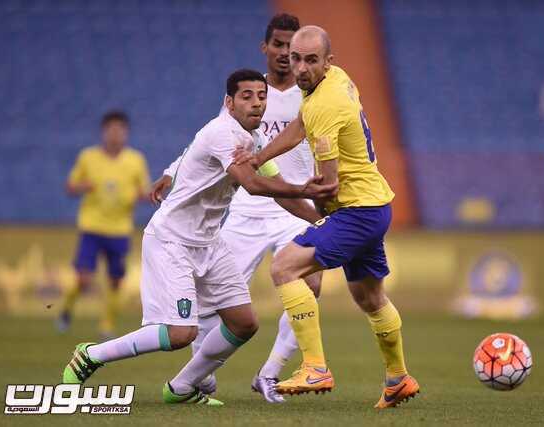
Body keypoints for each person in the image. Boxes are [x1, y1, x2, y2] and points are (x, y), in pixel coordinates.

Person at [62, 69, 337, 408]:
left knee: (243, 323)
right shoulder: (223, 133)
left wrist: (323, 220)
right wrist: (303, 187)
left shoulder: (256, 140)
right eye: (247, 96)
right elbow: (252, 184)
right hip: (171, 240)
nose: (256, 103)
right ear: (229, 102)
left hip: (208, 242)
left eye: (261, 96)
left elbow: (281, 196)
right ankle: (91, 354)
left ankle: (182, 387)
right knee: (180, 334)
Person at [234, 26, 420, 409]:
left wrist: (277, 188)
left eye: (310, 60)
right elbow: (300, 125)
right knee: (369, 297)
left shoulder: (326, 104)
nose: (300, 67)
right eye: (296, 58)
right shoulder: (333, 81)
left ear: (327, 61)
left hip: (355, 210)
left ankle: (315, 366)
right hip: (374, 205)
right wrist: (260, 156)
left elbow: (328, 186)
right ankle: (398, 377)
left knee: (285, 267)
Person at [150, 13, 321, 403]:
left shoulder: (312, 94)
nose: (285, 54)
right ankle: (200, 376)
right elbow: (209, 140)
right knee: (212, 304)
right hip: (246, 204)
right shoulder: (248, 92)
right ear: (266, 48)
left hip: (293, 205)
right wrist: (171, 172)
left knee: (310, 283)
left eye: (293, 49)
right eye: (278, 45)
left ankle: (270, 373)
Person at [58, 111, 150, 339]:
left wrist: (146, 195)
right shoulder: (88, 157)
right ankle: (66, 309)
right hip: (92, 227)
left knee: (116, 280)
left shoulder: (135, 160)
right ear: (104, 132)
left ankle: (107, 325)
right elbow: (70, 186)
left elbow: (144, 190)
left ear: (126, 133)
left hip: (120, 230)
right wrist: (82, 186)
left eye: (120, 130)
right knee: (83, 278)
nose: (115, 135)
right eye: (111, 130)